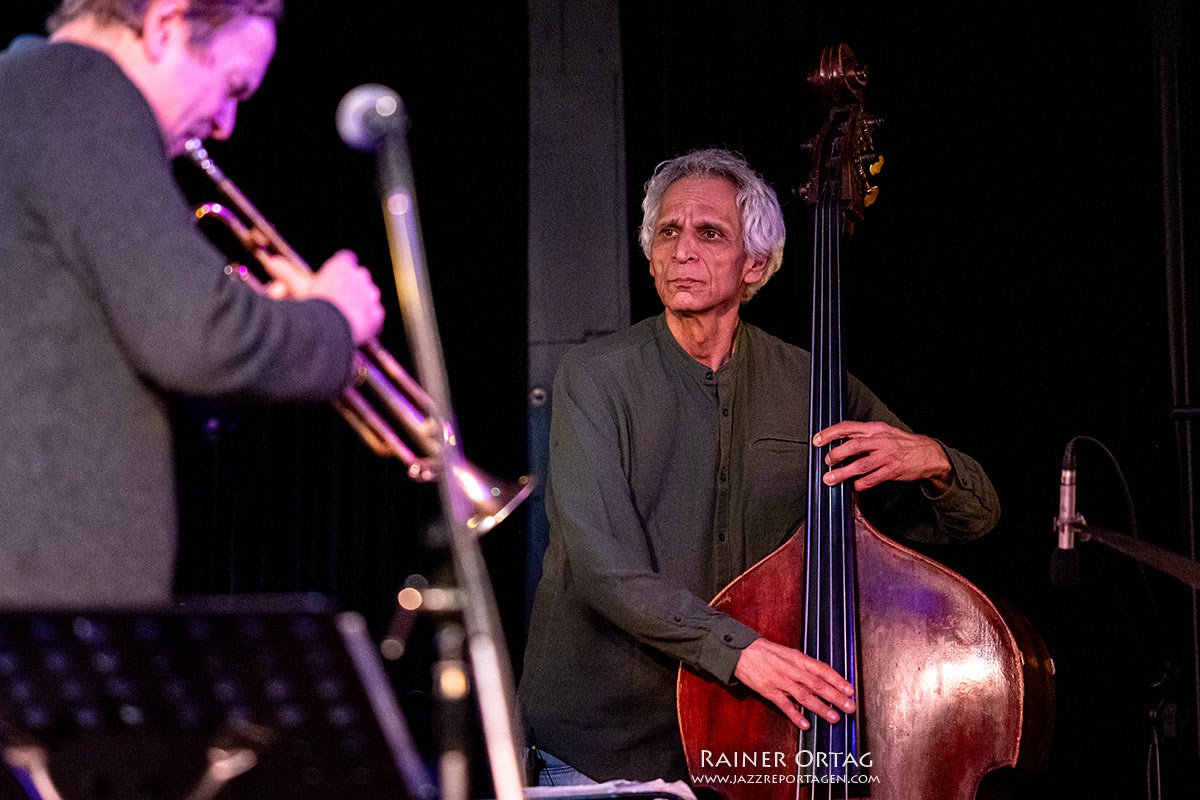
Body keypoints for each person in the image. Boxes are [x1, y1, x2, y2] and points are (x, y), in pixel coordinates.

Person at [518, 148, 1001, 784]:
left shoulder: (816, 385)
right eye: (668, 231)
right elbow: (605, 570)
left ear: (756, 263)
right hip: (607, 742)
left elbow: (973, 519)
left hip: (752, 740)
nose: (681, 250)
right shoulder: (593, 377)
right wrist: (740, 652)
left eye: (709, 233)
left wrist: (933, 461)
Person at [0, 0, 384, 608]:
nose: (226, 123)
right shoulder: (83, 95)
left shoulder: (26, 89)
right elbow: (199, 339)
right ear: (165, 26)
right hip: (37, 594)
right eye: (231, 86)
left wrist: (264, 317)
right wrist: (334, 319)